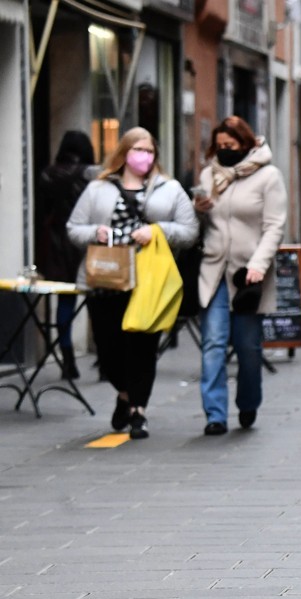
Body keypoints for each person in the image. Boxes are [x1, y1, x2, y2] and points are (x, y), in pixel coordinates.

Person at [67, 127, 199, 439]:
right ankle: (124, 393)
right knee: (108, 347)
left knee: (143, 345)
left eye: (150, 151)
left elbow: (189, 230)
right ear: (124, 152)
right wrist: (95, 233)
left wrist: (158, 231)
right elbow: (74, 228)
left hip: (148, 280)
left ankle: (138, 410)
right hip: (106, 279)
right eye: (138, 150)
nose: (145, 156)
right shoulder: (99, 188)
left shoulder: (169, 189)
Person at [193, 116, 287, 436]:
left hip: (248, 276)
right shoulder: (209, 175)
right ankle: (215, 414)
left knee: (248, 347)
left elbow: (274, 225)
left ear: (245, 145)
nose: (224, 152)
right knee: (213, 343)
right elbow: (201, 226)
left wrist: (259, 264)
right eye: (219, 147)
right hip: (214, 270)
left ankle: (248, 402)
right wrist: (199, 210)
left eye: (230, 146)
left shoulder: (268, 177)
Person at [35, 130, 99, 380]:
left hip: (55, 246)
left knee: (64, 302)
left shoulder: (47, 175)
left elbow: (42, 212)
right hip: (85, 244)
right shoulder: (89, 176)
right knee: (96, 301)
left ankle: (67, 358)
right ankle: (104, 360)